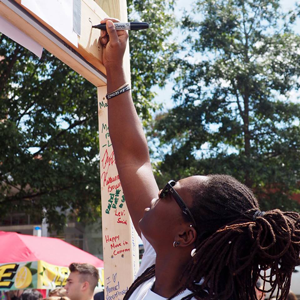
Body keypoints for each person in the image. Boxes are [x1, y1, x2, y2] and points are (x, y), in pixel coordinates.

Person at [99, 18, 300, 300]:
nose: (159, 193)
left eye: (169, 192)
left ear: (185, 236)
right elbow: (135, 160)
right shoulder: (163, 263)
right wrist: (115, 67)